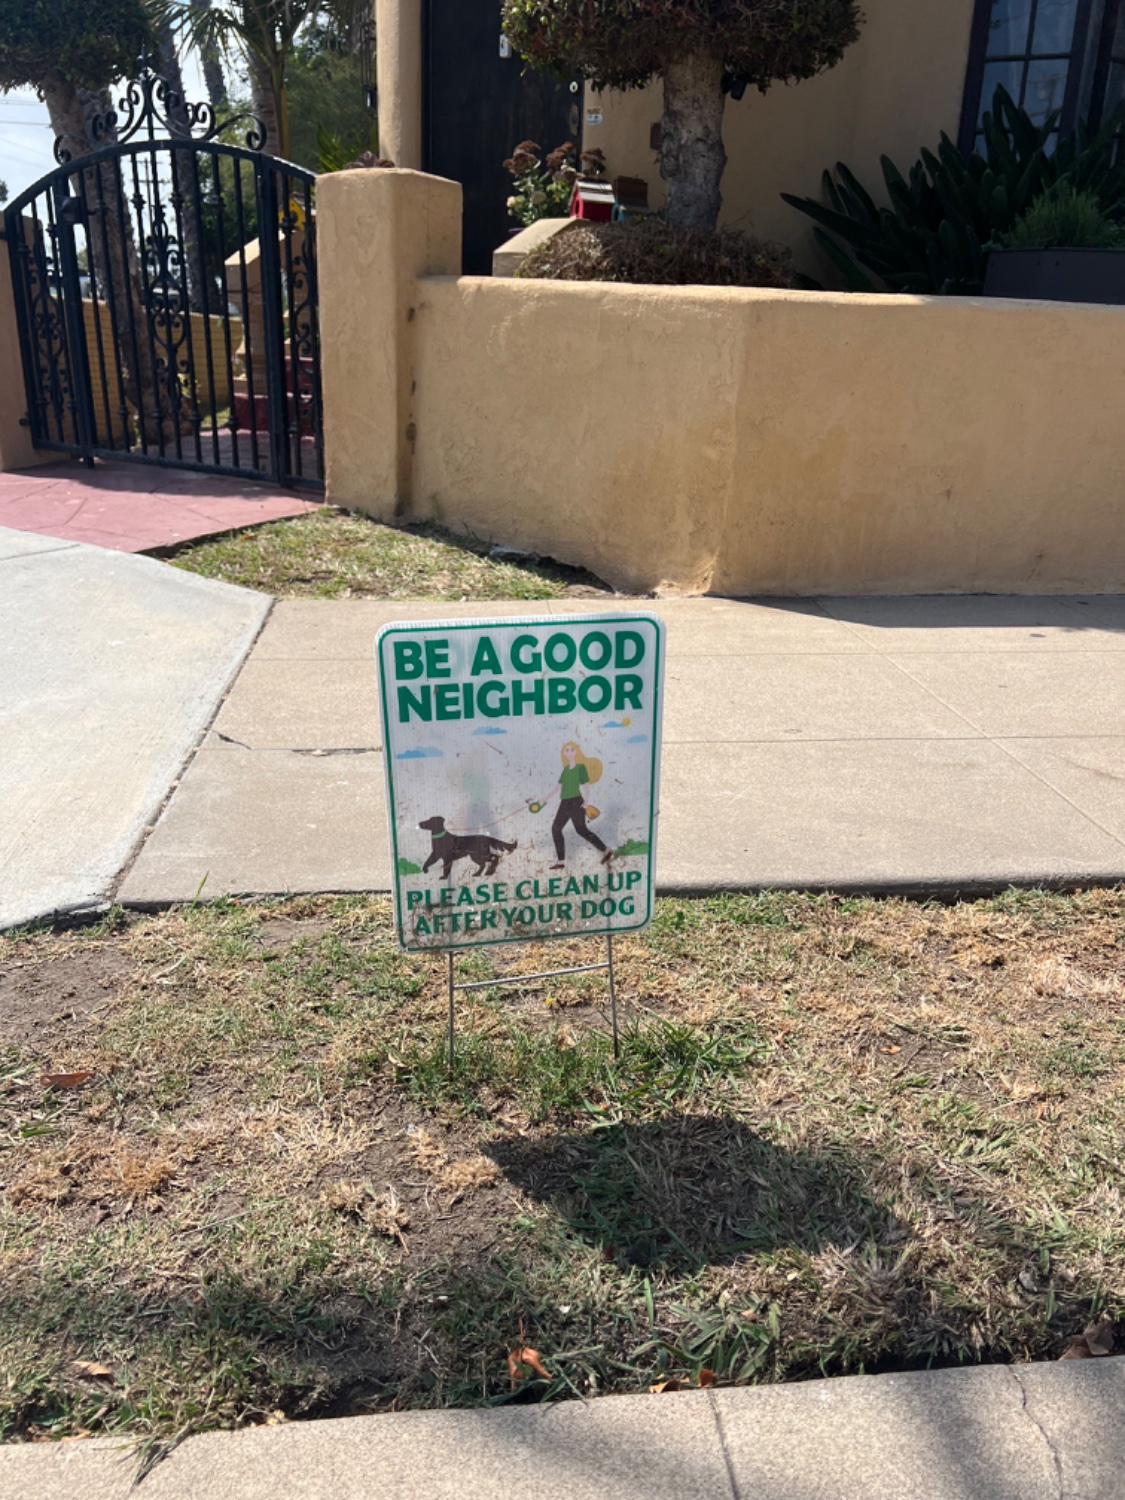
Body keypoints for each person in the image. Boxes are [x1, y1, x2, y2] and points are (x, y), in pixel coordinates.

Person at [541, 741, 610, 870]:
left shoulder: (580, 767)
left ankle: (606, 850)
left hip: (576, 801)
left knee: (581, 830)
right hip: (565, 802)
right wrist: (545, 799)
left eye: (572, 750)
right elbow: (558, 787)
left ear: (576, 751)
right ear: (564, 753)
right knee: (556, 828)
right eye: (566, 750)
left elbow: (586, 785)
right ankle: (561, 861)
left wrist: (586, 802)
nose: (569, 752)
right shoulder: (566, 770)